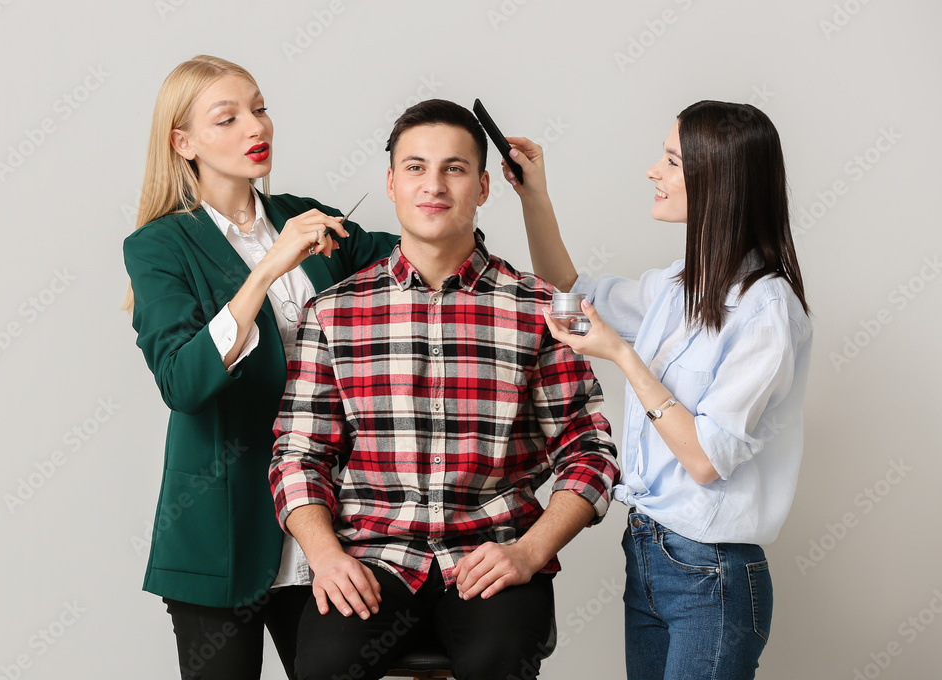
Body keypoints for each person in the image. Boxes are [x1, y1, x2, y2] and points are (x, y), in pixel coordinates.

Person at [269, 99, 620, 680]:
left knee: (497, 663)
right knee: (324, 665)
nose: (433, 185)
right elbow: (298, 454)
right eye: (415, 167)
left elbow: (590, 452)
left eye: (454, 168)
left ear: (483, 186)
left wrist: (529, 552)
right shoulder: (334, 312)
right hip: (372, 556)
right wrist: (325, 555)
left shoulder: (539, 308)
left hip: (495, 553)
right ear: (390, 183)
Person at [502, 100, 812, 679]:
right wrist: (533, 196)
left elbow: (703, 459)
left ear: (717, 183)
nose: (654, 171)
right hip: (647, 550)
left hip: (712, 574)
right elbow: (570, 288)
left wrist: (622, 354)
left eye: (671, 160)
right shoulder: (681, 284)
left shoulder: (767, 312)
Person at [122, 55, 397, 680]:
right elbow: (183, 384)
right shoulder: (158, 246)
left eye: (260, 107)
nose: (256, 127)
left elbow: (426, 256)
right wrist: (267, 268)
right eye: (229, 117)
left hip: (332, 525)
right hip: (218, 529)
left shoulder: (312, 218)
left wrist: (452, 182)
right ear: (183, 142)